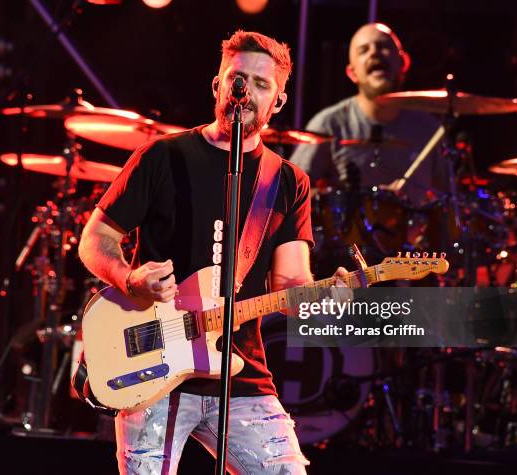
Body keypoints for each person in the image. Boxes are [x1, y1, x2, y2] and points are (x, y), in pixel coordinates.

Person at [79, 30, 347, 475]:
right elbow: (96, 238)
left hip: (241, 375)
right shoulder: (162, 156)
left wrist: (322, 300)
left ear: (278, 101)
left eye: (262, 85)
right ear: (217, 84)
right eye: (237, 78)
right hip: (155, 370)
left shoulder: (287, 182)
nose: (246, 91)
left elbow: (290, 283)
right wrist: (130, 279)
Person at [290, 23, 443, 206]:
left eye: (383, 47)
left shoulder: (429, 129)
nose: (374, 53)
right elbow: (291, 192)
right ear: (352, 73)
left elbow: (448, 201)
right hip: (348, 233)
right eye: (364, 50)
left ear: (404, 63)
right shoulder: (329, 124)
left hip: (414, 234)